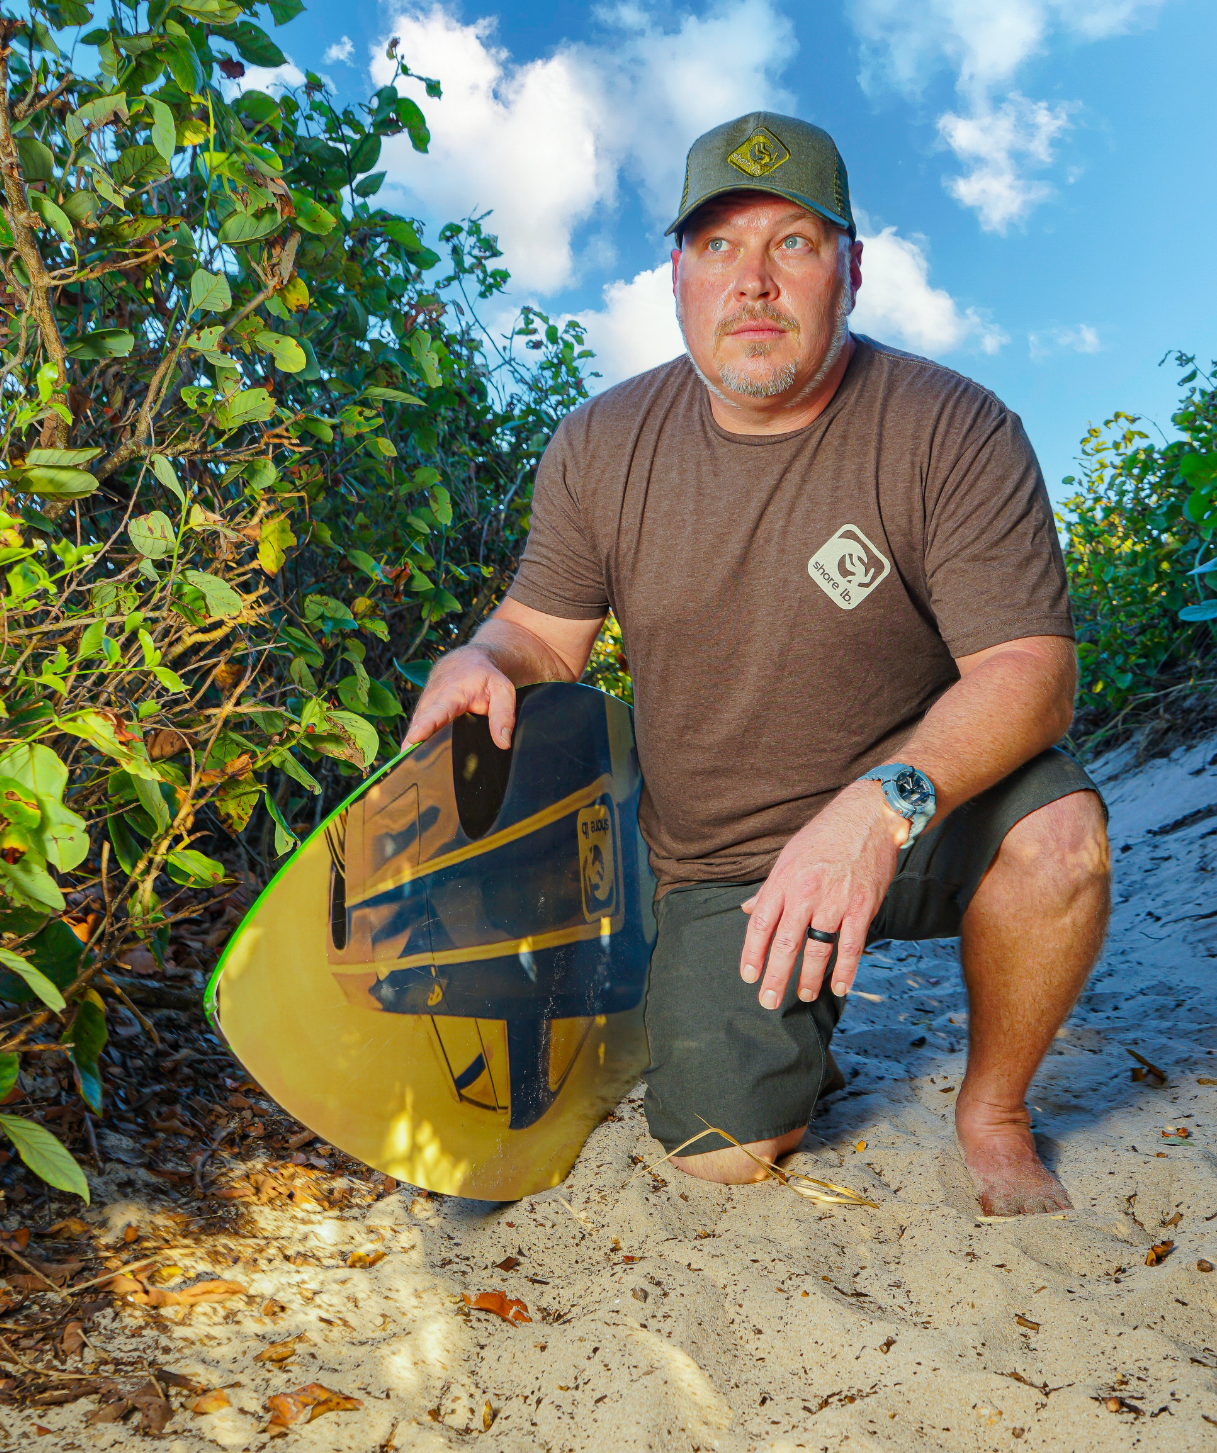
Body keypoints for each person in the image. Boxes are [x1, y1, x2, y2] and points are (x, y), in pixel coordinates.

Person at [400, 111, 1111, 1217]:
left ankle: (995, 1109)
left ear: (851, 270)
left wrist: (877, 812)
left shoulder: (955, 426)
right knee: (723, 1150)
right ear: (676, 276)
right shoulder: (600, 444)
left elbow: (1032, 671)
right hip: (728, 857)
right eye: (721, 246)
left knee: (1060, 839)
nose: (756, 282)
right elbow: (539, 633)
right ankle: (784, 1039)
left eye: (794, 242)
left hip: (922, 813)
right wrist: (480, 656)